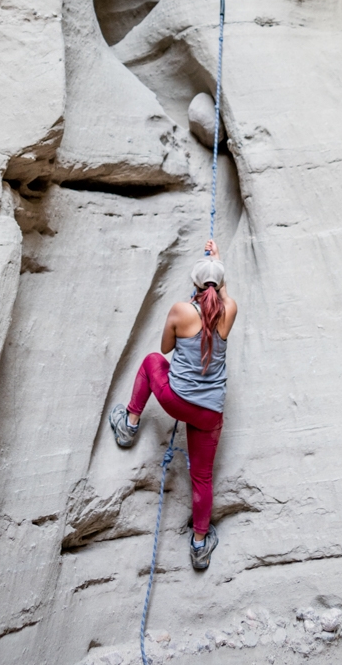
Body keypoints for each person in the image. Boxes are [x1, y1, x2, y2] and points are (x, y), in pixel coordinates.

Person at [108, 239, 238, 570]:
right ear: (221, 285)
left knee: (151, 361)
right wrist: (218, 265)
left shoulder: (181, 311)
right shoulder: (230, 311)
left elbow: (165, 350)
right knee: (203, 478)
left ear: (194, 284)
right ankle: (199, 545)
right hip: (209, 413)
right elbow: (223, 298)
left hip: (177, 400)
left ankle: (130, 425)